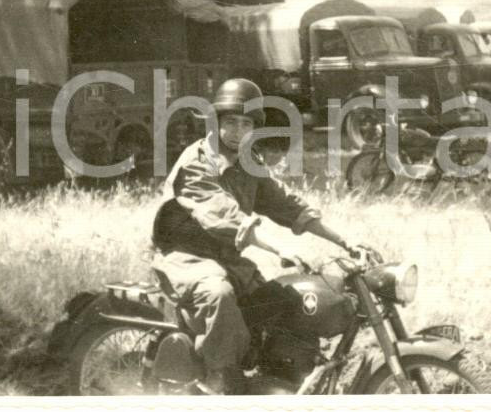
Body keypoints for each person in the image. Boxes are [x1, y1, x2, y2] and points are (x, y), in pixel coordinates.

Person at [151, 78, 362, 394]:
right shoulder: (196, 165)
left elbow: (288, 205)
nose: (238, 130)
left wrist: (344, 241)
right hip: (185, 257)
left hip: (228, 258)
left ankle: (281, 377)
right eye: (231, 122)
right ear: (216, 122)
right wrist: (280, 250)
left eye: (245, 123)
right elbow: (229, 219)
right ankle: (221, 381)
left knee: (285, 299)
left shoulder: (248, 162)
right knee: (219, 295)